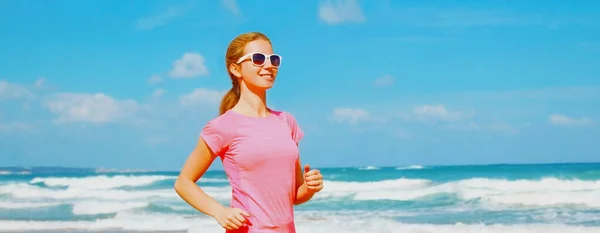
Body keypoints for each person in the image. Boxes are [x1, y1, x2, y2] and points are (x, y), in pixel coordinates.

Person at [174, 32, 324, 233]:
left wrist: (309, 188)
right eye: (258, 59)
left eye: (274, 59)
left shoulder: (287, 122)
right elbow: (183, 183)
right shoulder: (222, 126)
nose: (269, 65)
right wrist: (219, 212)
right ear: (236, 69)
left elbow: (295, 195)